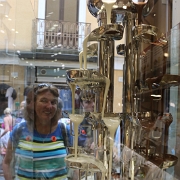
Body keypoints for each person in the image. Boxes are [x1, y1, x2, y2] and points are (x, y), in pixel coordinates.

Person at [3, 84, 68, 180]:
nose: (49, 106)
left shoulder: (64, 130)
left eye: (53, 102)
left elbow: (74, 166)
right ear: (31, 105)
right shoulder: (20, 130)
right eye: (44, 101)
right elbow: (6, 162)